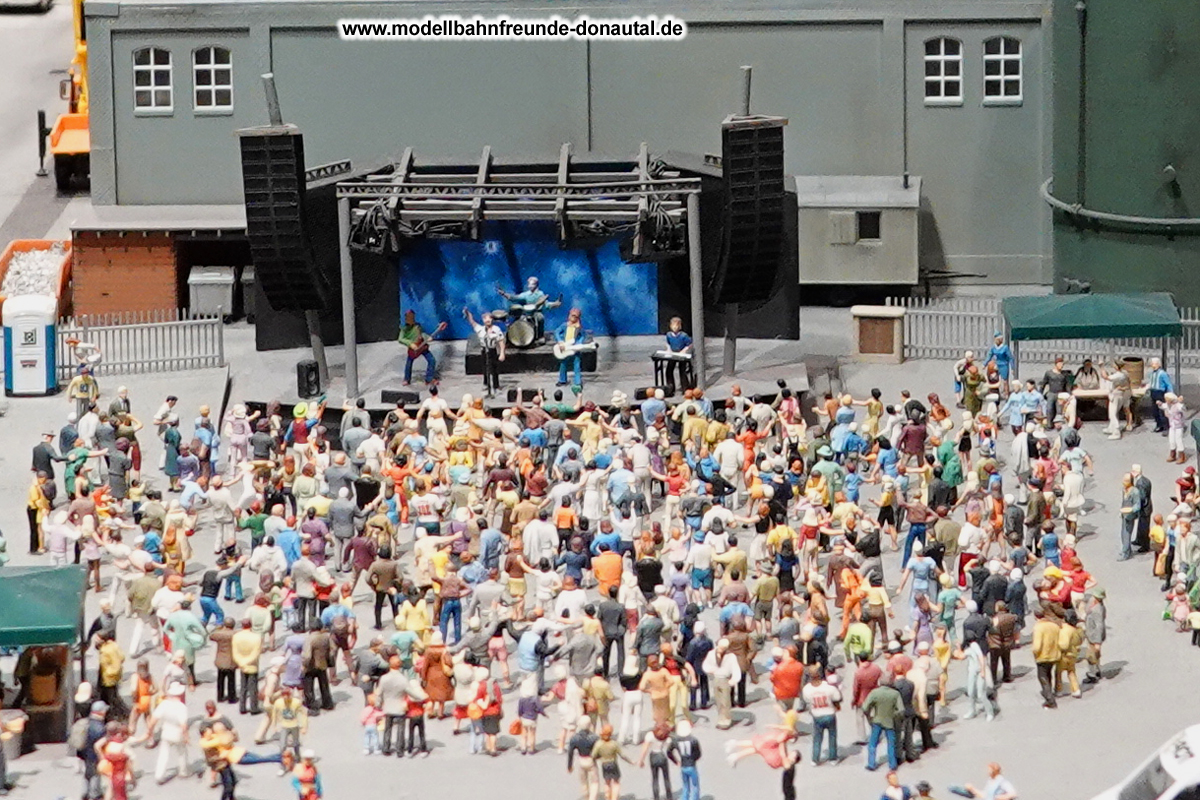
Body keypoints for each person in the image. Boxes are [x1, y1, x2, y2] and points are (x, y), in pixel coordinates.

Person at [497, 276, 561, 344]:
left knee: (540, 318)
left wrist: (554, 304)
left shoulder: (540, 294)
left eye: (532, 284)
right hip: (526, 313)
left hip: (536, 312)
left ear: (536, 285)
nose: (530, 286)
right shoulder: (526, 294)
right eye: (529, 284)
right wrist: (504, 294)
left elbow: (546, 304)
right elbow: (515, 298)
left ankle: (540, 336)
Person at [463, 307, 506, 398]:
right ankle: (486, 384)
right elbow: (472, 322)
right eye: (485, 319)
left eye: (489, 318)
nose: (487, 320)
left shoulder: (496, 329)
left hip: (492, 350)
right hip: (484, 350)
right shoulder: (480, 329)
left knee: (494, 368)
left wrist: (502, 353)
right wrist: (468, 313)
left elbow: (501, 341)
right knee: (485, 367)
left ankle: (496, 385)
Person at [398, 310, 447, 386]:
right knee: (409, 364)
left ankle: (429, 378)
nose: (410, 319)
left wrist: (427, 337)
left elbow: (422, 334)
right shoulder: (404, 329)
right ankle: (407, 379)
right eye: (408, 317)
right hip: (414, 349)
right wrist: (410, 344)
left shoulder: (418, 326)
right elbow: (400, 339)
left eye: (412, 317)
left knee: (431, 360)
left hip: (422, 346)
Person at [556, 307, 591, 390]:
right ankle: (562, 380)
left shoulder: (579, 328)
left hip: (574, 349)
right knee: (563, 364)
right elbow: (557, 332)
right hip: (565, 347)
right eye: (572, 315)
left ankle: (577, 382)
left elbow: (583, 336)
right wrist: (560, 341)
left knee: (577, 365)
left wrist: (579, 342)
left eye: (575, 316)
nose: (573, 318)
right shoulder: (565, 325)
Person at [662, 316, 694, 394]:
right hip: (673, 354)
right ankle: (670, 388)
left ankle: (685, 388)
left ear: (680, 326)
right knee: (669, 370)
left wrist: (684, 350)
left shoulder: (684, 335)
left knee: (682, 370)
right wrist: (668, 349)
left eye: (676, 325)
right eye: (673, 325)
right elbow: (668, 343)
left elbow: (689, 344)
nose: (675, 327)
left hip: (681, 354)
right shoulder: (669, 335)